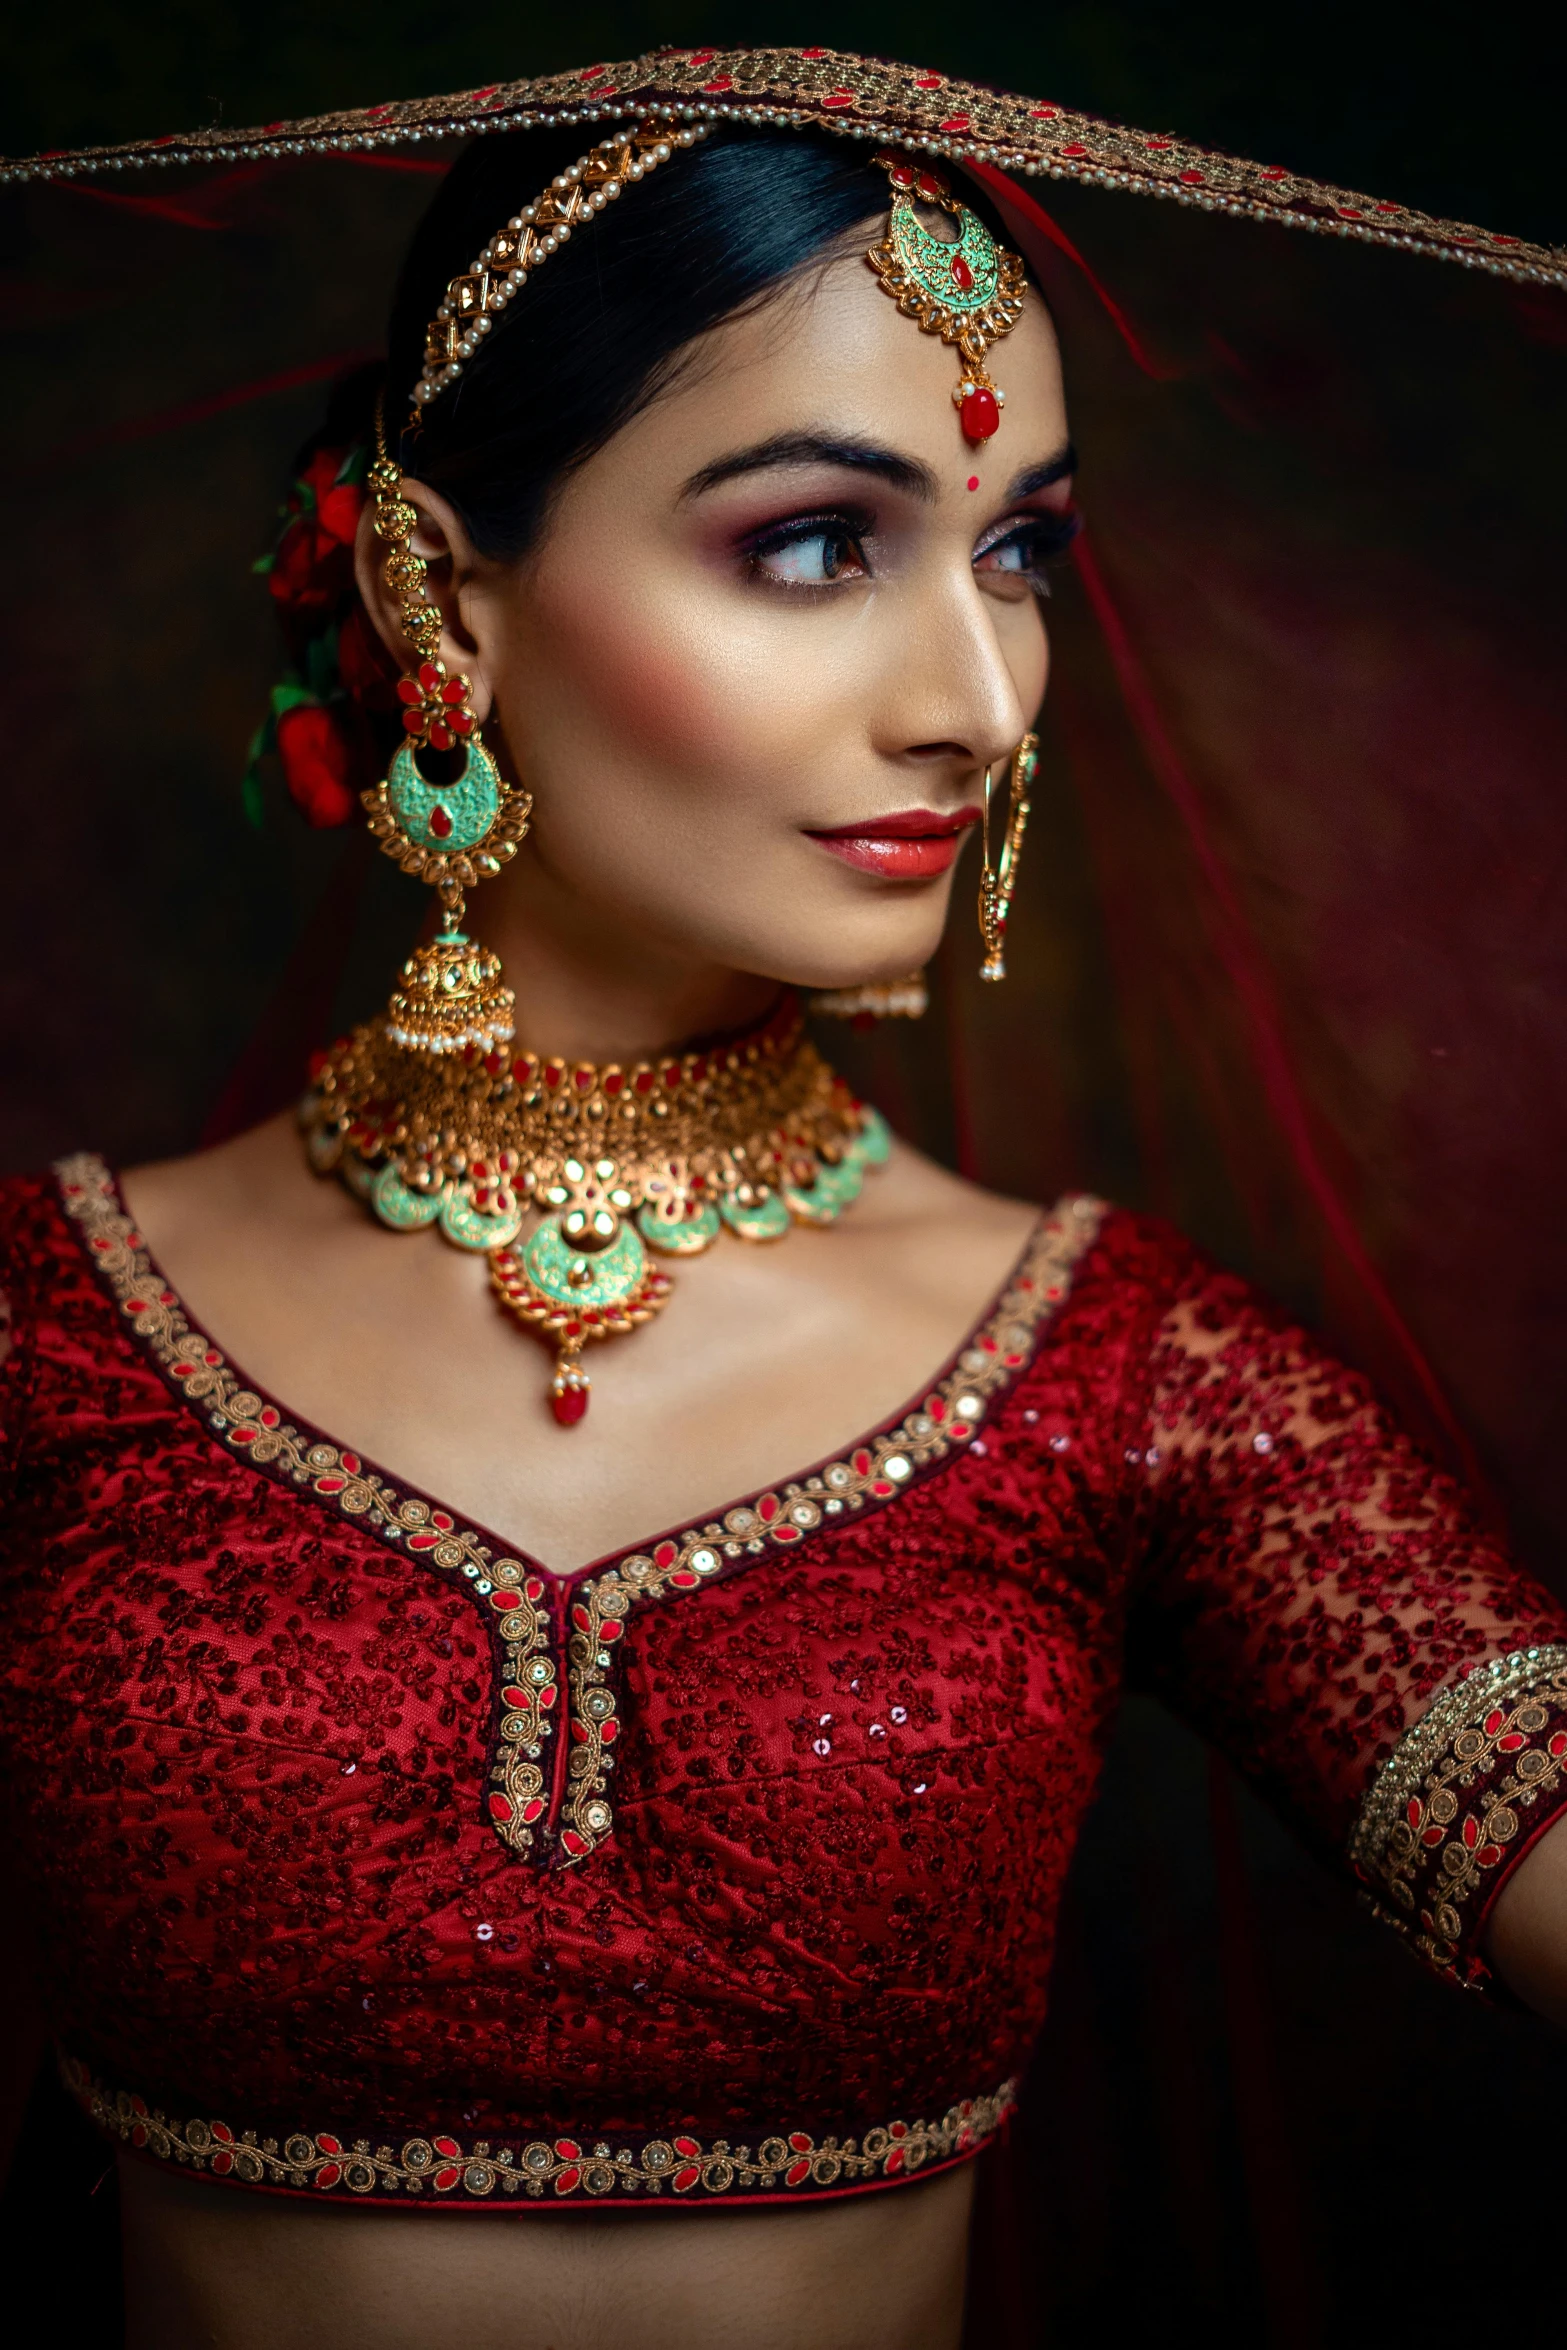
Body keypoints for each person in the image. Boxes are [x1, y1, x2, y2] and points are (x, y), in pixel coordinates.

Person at [2, 45, 1565, 2350]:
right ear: (446, 585)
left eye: (1017, 550)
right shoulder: (53, 1333)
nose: (977, 696)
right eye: (820, 543)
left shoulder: (1124, 1383)